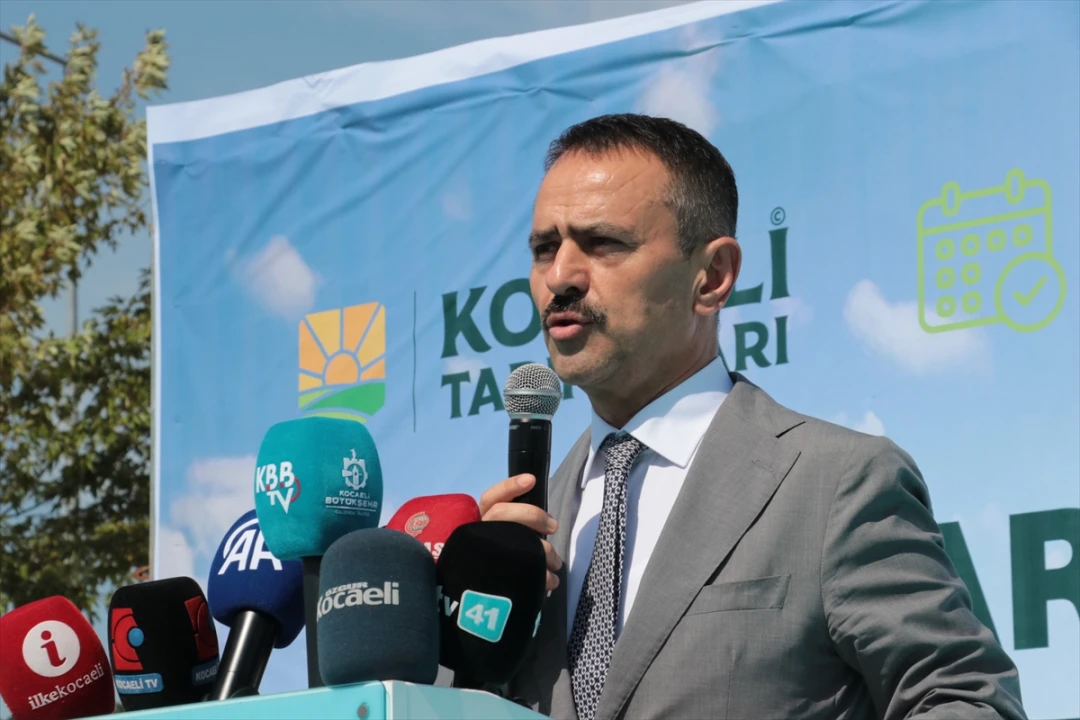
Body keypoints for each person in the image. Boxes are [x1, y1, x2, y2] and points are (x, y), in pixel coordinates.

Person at [478, 114, 1027, 719]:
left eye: (603, 243)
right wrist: (466, 637)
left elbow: (969, 702)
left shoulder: (835, 483)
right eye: (544, 249)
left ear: (712, 277)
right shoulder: (523, 528)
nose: (560, 276)